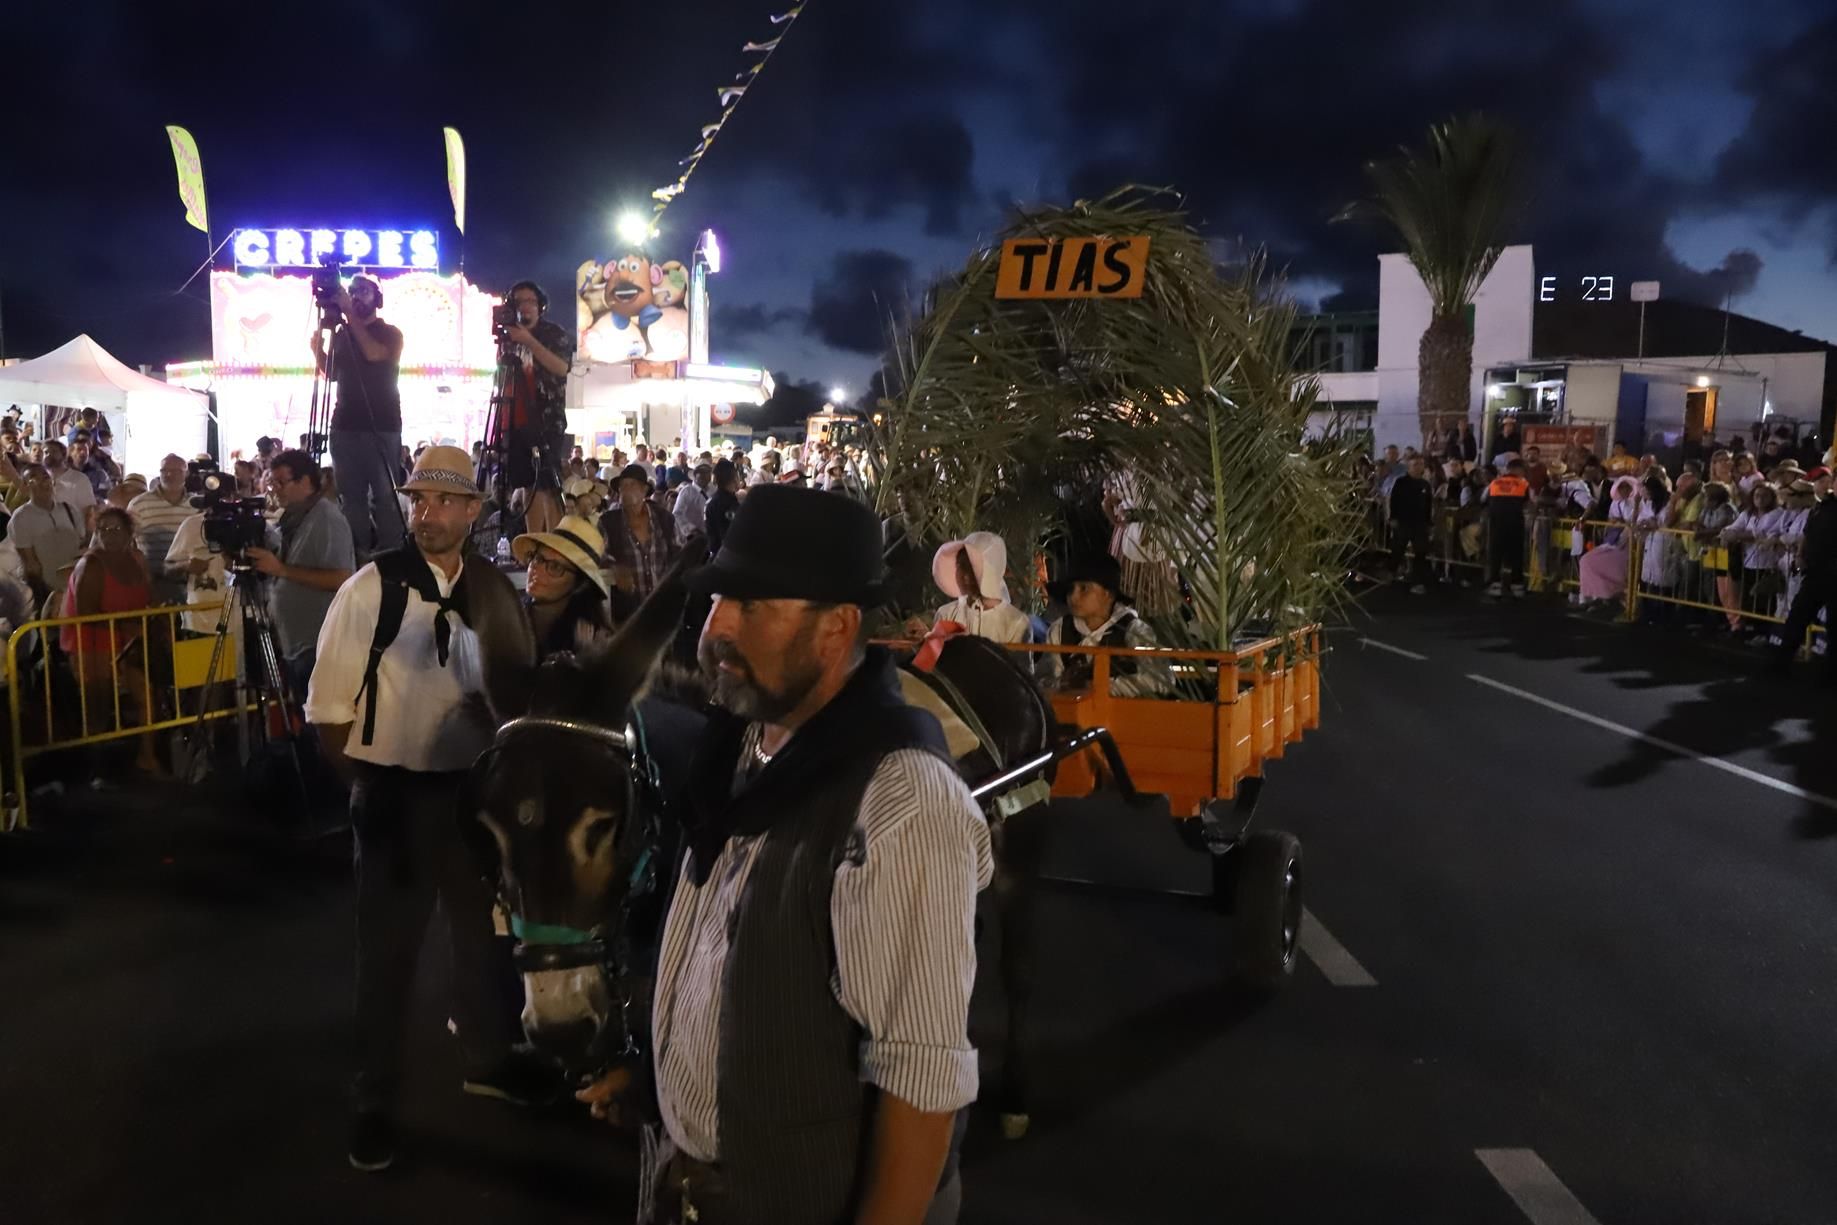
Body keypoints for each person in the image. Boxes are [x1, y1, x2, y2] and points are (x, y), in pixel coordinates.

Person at [604, 484, 990, 1225]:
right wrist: (659, 1075)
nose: (716, 629)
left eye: (752, 606)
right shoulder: (739, 745)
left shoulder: (899, 800)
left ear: (836, 628)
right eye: (717, 602)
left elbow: (920, 1078)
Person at [306, 446, 551, 1173]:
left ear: (474, 512)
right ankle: (375, 1096)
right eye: (420, 500)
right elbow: (326, 711)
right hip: (394, 793)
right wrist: (368, 787)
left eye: (446, 501)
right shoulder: (369, 588)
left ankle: (486, 1055)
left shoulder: (496, 592)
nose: (428, 513)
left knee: (480, 939)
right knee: (387, 955)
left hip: (472, 796)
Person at [244, 449, 356, 700]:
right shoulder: (294, 517)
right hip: (296, 642)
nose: (275, 490)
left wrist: (281, 570)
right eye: (272, 483)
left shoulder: (326, 518)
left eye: (281, 483)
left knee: (318, 723)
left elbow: (342, 579)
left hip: (319, 644)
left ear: (305, 481)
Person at [311, 275, 406, 558]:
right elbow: (333, 375)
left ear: (377, 299)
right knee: (351, 499)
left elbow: (375, 354)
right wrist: (318, 353)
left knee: (385, 497)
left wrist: (349, 314)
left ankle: (391, 556)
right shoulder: (343, 334)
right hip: (344, 426)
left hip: (382, 425)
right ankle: (357, 555)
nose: (354, 296)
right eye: (351, 292)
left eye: (362, 291)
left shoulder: (390, 332)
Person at [62, 506, 162, 774]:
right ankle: (96, 771)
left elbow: (149, 594)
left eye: (115, 529)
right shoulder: (91, 564)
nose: (109, 535)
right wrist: (125, 625)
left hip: (129, 640)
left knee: (146, 696)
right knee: (98, 705)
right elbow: (85, 612)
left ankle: (147, 756)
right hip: (94, 642)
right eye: (103, 529)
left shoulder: (137, 559)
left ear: (130, 532)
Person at [1038, 554, 1172, 697]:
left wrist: (1101, 687)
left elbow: (1162, 679)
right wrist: (1062, 685)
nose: (1074, 596)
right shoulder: (1059, 630)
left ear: (1107, 594)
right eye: (1071, 589)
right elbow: (1044, 679)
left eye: (1084, 588)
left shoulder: (1134, 630)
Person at [492, 280, 575, 492]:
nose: (525, 306)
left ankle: (550, 527)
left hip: (546, 420)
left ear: (540, 306)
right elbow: (501, 376)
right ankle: (532, 528)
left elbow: (561, 367)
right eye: (519, 301)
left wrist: (528, 340)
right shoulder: (508, 338)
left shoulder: (553, 333)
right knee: (525, 486)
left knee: (547, 485)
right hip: (515, 420)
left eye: (530, 301)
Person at [512, 513, 614, 658]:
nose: (537, 569)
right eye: (537, 558)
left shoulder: (595, 638)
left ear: (580, 584)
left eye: (555, 567)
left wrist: (587, 664)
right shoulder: (511, 618)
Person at [905, 532, 1032, 644]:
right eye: (962, 567)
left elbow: (1019, 670)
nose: (965, 577)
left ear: (991, 571)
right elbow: (930, 666)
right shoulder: (946, 614)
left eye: (972, 569)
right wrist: (925, 642)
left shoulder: (1016, 623)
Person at [600, 463, 679, 609]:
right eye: (622, 486)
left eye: (632, 485)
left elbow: (678, 556)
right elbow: (598, 555)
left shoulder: (664, 519)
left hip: (664, 606)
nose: (625, 490)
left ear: (644, 490)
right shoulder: (608, 522)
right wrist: (615, 567)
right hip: (627, 611)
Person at [10, 463, 87, 604]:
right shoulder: (21, 517)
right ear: (26, 486)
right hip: (46, 592)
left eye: (45, 477)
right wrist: (46, 595)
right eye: (34, 479)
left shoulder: (69, 510)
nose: (42, 482)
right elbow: (31, 563)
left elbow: (81, 545)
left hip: (75, 587)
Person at [127, 454, 195, 608]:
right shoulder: (139, 504)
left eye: (176, 471)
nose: (169, 475)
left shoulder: (196, 505)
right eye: (164, 471)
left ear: (186, 473)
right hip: (154, 583)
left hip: (189, 583)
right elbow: (128, 541)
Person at [1485, 458, 1531, 596]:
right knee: (1516, 555)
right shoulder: (1523, 484)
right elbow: (1528, 503)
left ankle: (1495, 586)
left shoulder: (1494, 483)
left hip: (1496, 524)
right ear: (1518, 470)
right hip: (1515, 524)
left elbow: (1484, 501)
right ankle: (1517, 586)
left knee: (1496, 554)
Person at [1388, 454, 1433, 593]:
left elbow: (1428, 505)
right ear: (1409, 467)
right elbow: (1393, 501)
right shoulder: (1400, 482)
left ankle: (1417, 582)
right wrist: (1393, 517)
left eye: (1420, 464)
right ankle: (1390, 574)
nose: (1418, 467)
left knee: (1420, 553)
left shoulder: (1425, 485)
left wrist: (1429, 523)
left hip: (1419, 524)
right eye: (1415, 464)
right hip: (1403, 522)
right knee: (1397, 550)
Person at [671, 462, 712, 544]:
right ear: (695, 475)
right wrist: (691, 529)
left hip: (708, 536)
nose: (706, 476)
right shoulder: (687, 491)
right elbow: (677, 513)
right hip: (691, 537)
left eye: (708, 473)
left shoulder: (712, 490)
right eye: (702, 473)